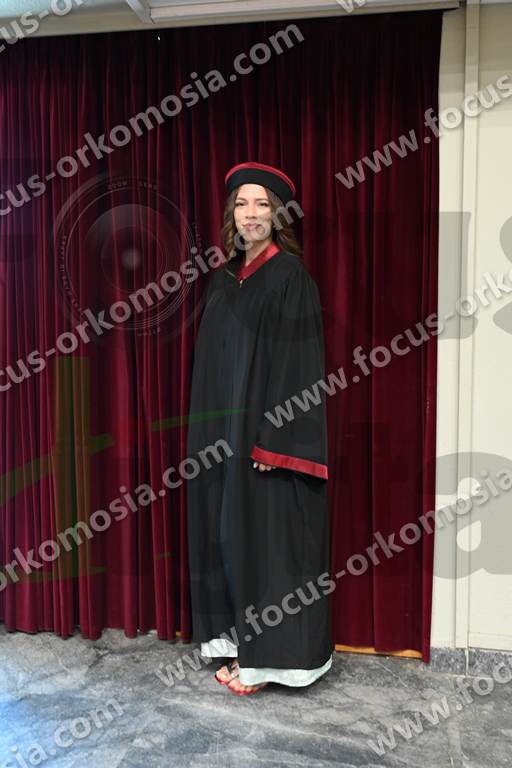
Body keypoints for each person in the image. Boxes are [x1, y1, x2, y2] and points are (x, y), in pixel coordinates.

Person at [186, 161, 333, 696]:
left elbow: (300, 366)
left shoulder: (291, 278)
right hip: (221, 440)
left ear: (278, 214)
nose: (251, 214)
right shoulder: (225, 280)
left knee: (268, 546)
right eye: (243, 204)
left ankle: (269, 662)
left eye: (262, 204)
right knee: (226, 537)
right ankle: (237, 645)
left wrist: (276, 442)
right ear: (232, 213)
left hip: (263, 443)